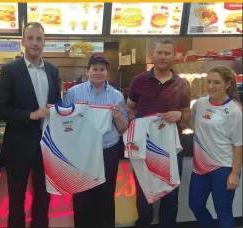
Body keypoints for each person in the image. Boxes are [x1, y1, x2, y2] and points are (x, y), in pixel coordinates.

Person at [0, 22, 61, 228]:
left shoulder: (52, 70)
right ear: (22, 42)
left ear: (44, 43)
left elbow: (56, 103)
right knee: (16, 199)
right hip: (18, 146)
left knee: (44, 197)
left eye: (39, 39)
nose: (34, 43)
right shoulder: (9, 70)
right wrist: (28, 115)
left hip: (47, 147)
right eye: (30, 38)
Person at [126, 39, 191, 228]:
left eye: (167, 53)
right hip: (144, 149)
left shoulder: (182, 84)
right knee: (143, 197)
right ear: (152, 55)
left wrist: (179, 115)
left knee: (170, 198)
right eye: (160, 53)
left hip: (172, 150)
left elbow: (187, 113)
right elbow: (130, 109)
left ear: (174, 56)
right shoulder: (138, 81)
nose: (163, 57)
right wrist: (136, 127)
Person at [63, 53, 129, 228]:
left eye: (102, 69)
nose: (98, 73)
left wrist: (116, 116)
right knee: (82, 197)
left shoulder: (117, 96)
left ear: (107, 72)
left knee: (106, 197)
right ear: (88, 70)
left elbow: (123, 128)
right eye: (95, 69)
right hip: (82, 153)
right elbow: (65, 124)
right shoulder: (73, 93)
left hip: (108, 151)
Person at [189, 65, 242, 228]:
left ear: (227, 84)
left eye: (217, 82)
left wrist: (235, 173)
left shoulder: (235, 110)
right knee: (195, 205)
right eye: (209, 81)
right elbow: (191, 125)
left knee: (223, 211)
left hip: (223, 168)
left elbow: (239, 145)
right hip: (199, 166)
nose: (211, 86)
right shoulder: (200, 103)